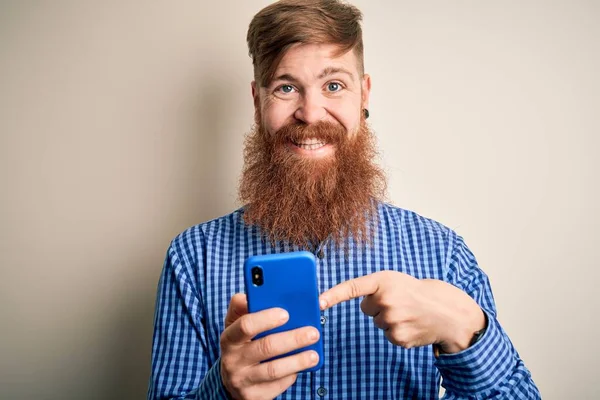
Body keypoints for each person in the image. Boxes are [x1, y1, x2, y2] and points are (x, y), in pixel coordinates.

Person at [148, 1, 540, 399]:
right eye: (286, 87)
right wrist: (224, 390)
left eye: (333, 85)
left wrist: (463, 329)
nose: (310, 112)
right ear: (257, 100)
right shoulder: (193, 258)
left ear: (363, 94)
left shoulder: (443, 255)